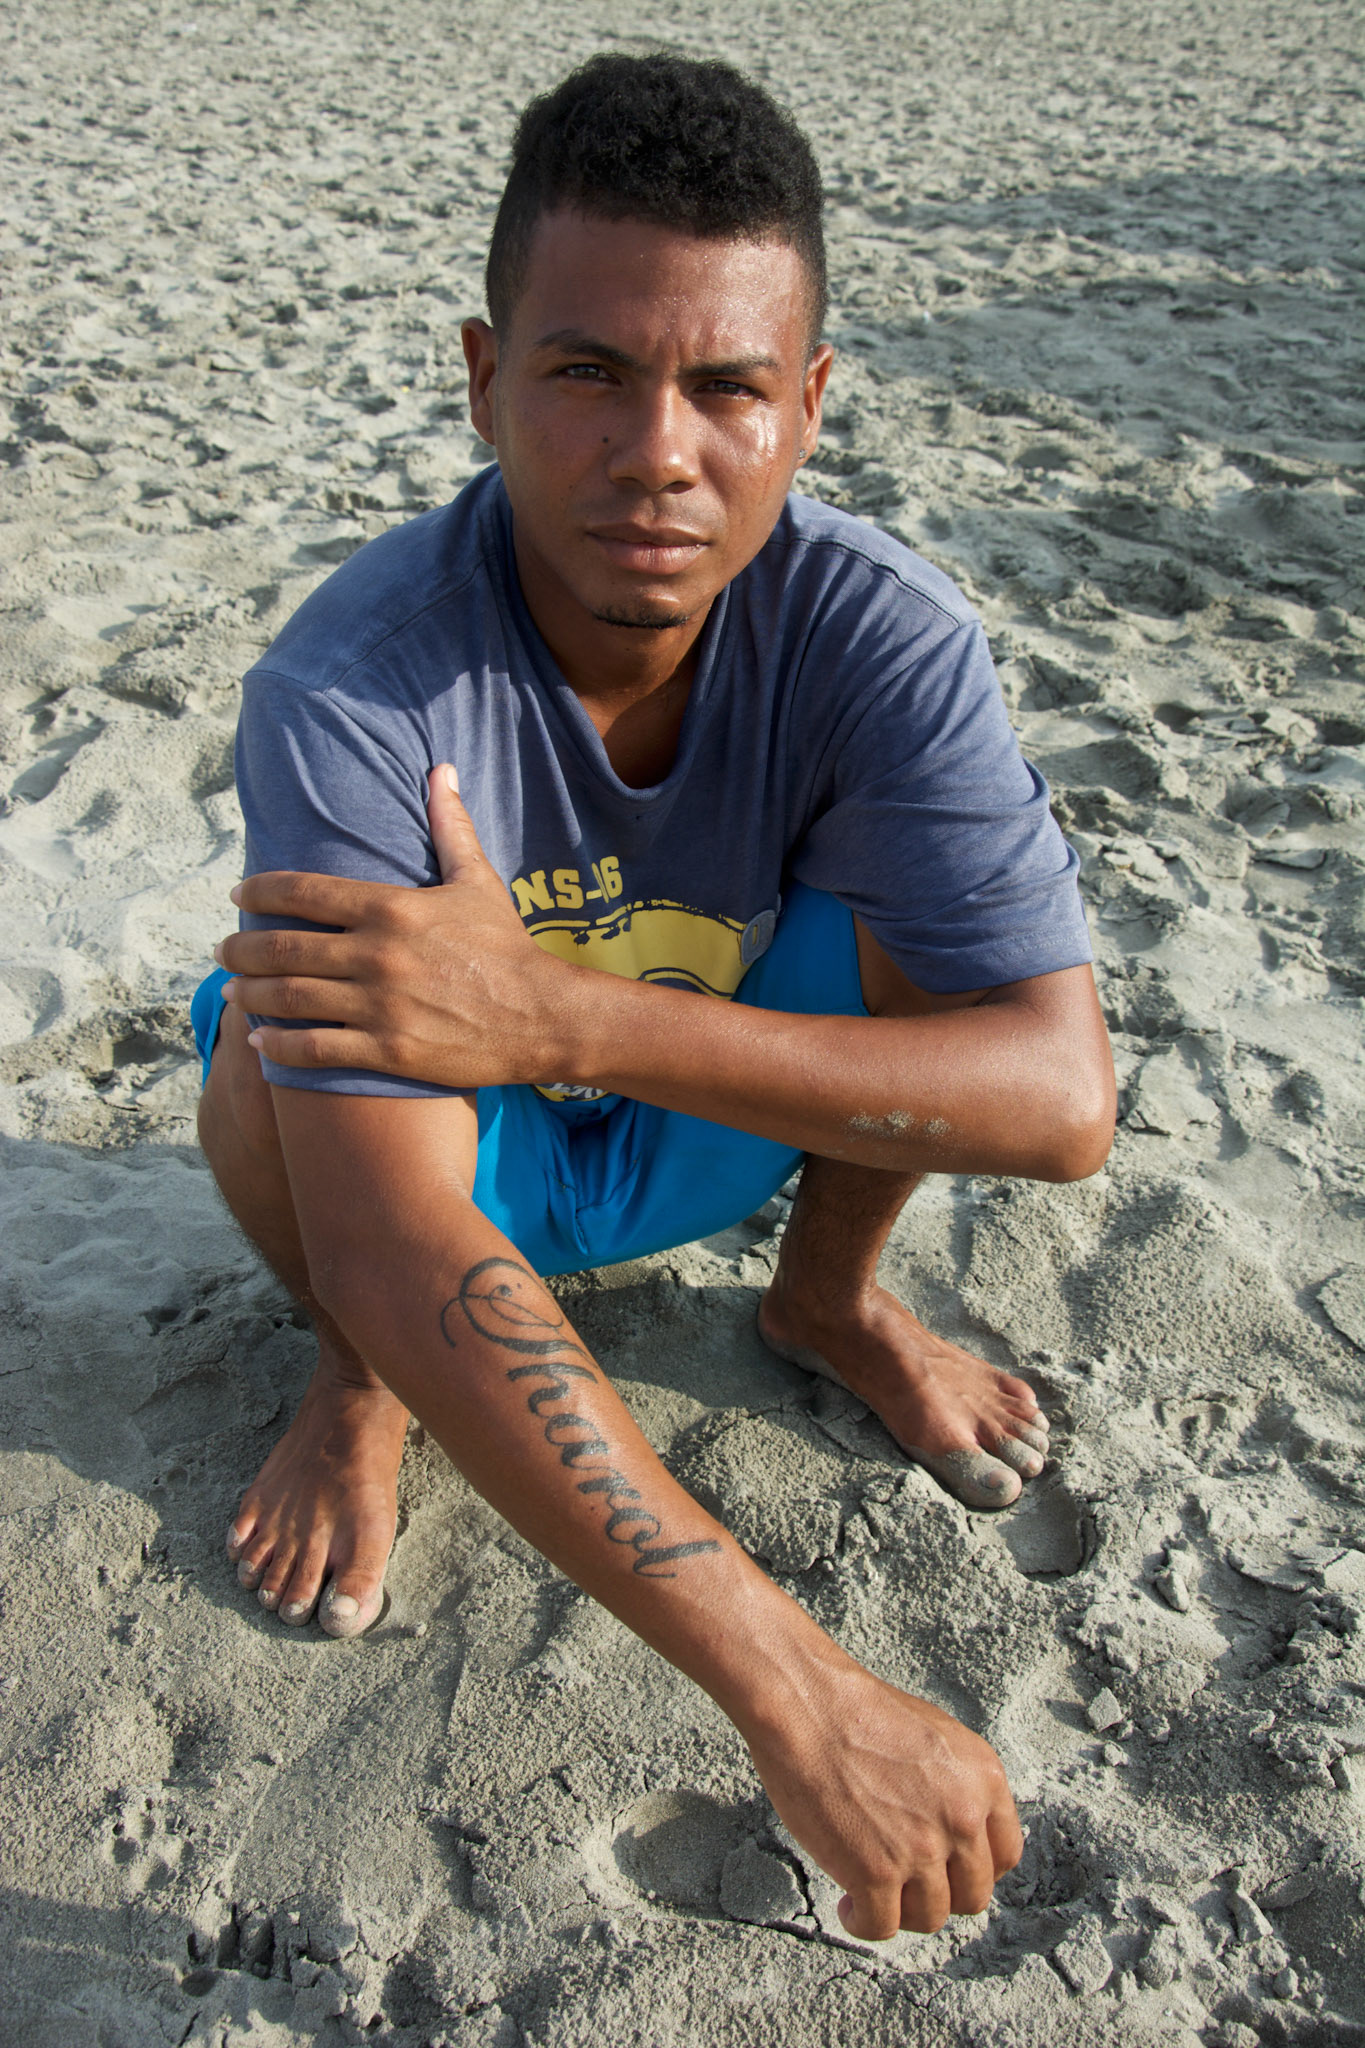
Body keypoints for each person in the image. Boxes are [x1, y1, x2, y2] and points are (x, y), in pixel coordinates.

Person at [194, 53, 1115, 1940]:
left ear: (807, 407)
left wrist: (563, 1019)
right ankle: (357, 1386)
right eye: (586, 372)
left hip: (691, 1121)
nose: (656, 453)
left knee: (936, 936)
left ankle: (829, 1298)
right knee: (274, 1028)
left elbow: (1059, 1100)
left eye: (724, 387)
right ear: (482, 379)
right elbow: (389, 1220)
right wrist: (799, 1692)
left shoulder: (882, 637)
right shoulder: (357, 684)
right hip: (463, 1179)